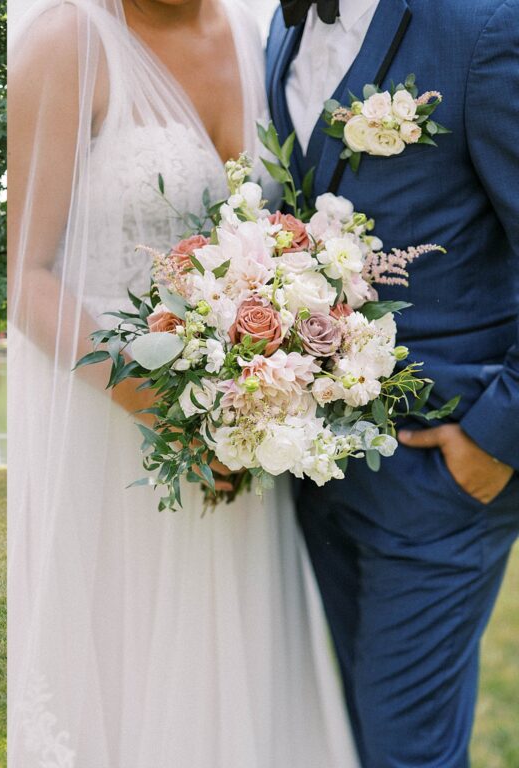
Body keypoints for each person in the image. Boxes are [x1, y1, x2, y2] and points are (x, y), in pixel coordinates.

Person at [7, 0, 359, 765]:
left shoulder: (255, 37)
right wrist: (172, 416)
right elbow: (26, 279)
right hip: (117, 434)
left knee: (231, 670)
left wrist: (267, 393)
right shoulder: (66, 42)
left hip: (246, 432)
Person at [267, 0, 519, 764]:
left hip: (444, 478)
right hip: (316, 476)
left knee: (408, 754)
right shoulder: (280, 31)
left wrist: (497, 437)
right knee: (348, 739)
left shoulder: (484, 26)